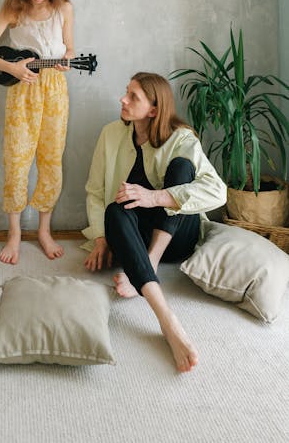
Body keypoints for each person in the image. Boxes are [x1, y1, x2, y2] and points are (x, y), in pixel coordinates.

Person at [82, 72, 227, 372]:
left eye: (133, 96)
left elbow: (218, 192)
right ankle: (166, 318)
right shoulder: (110, 134)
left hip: (178, 240)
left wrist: (156, 197)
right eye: (126, 92)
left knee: (182, 168)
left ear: (154, 109)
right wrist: (100, 238)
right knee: (114, 209)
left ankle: (151, 264)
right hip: (133, 238)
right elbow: (95, 192)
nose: (123, 99)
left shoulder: (182, 138)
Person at [0, 0, 74, 264]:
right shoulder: (13, 10)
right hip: (22, 91)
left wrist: (67, 60)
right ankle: (14, 232)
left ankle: (44, 230)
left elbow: (70, 48)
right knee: (17, 160)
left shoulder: (64, 9)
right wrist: (13, 68)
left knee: (51, 159)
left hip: (55, 90)